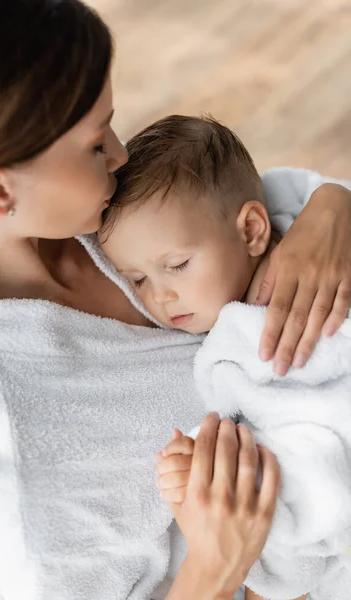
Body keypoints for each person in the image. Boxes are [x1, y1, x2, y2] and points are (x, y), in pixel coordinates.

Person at [0, 2, 351, 600]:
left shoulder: (98, 211)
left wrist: (332, 209)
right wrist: (216, 566)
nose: (119, 154)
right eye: (93, 145)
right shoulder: (5, 427)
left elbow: (245, 209)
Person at [99, 114, 351, 599]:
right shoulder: (229, 329)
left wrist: (212, 467)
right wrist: (214, 465)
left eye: (176, 266)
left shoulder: (272, 311)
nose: (162, 297)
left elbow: (323, 420)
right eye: (138, 280)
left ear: (253, 229)